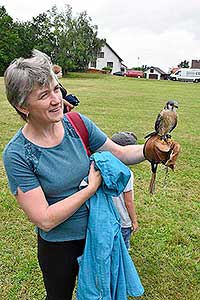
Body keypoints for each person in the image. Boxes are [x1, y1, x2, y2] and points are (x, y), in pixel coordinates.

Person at [3, 49, 145, 300]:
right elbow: (44, 219)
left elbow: (120, 153)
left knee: (103, 293)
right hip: (59, 246)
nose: (57, 99)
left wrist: (152, 150)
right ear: (22, 106)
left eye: (56, 89)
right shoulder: (17, 154)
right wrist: (90, 189)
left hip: (97, 234)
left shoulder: (77, 124)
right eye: (44, 95)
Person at [111, 132, 139, 250]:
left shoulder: (103, 169)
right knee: (122, 249)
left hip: (108, 219)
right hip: (123, 222)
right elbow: (128, 202)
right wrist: (134, 220)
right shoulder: (127, 174)